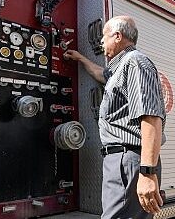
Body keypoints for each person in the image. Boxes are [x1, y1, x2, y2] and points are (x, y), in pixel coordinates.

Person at [64, 16, 166, 219]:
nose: (101, 42)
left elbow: (151, 118)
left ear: (118, 36)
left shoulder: (135, 63)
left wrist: (147, 173)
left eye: (104, 36)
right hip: (122, 161)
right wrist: (80, 58)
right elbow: (101, 74)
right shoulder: (118, 68)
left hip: (129, 161)